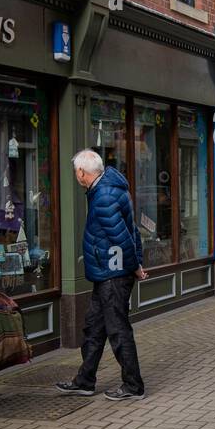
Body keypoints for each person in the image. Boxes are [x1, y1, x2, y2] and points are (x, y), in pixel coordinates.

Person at [57, 150, 148, 401]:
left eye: (76, 171)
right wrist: (135, 262)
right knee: (93, 329)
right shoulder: (106, 189)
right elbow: (133, 231)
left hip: (114, 273)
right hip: (106, 271)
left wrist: (134, 266)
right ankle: (85, 381)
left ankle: (133, 386)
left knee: (118, 330)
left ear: (82, 172)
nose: (76, 176)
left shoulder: (104, 196)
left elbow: (122, 237)